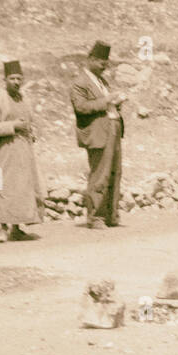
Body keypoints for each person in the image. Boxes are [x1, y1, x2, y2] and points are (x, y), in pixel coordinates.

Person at [0, 60, 45, 242]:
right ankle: (3, 229)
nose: (16, 82)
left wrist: (31, 131)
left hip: (23, 149)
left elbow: (30, 121)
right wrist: (13, 125)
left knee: (23, 188)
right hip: (4, 150)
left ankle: (17, 228)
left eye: (19, 78)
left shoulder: (24, 99)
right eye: (12, 78)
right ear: (5, 79)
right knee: (5, 188)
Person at [69, 41, 125, 229]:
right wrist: (107, 100)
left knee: (114, 173)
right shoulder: (80, 82)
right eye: (102, 62)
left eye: (106, 63)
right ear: (91, 60)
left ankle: (111, 214)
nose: (104, 66)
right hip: (98, 133)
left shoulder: (102, 82)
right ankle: (95, 217)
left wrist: (116, 103)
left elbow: (104, 104)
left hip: (113, 129)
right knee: (99, 174)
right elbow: (81, 107)